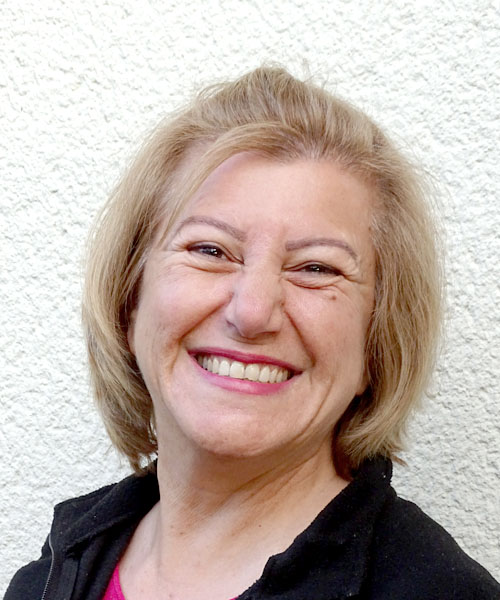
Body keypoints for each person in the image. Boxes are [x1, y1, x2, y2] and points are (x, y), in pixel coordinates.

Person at [5, 67, 499, 600]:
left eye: (316, 268)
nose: (253, 311)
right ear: (129, 300)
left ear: (376, 342)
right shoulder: (46, 581)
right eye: (210, 250)